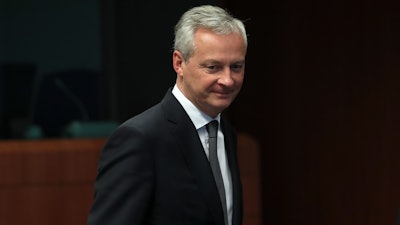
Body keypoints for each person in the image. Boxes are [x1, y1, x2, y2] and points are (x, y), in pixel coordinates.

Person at [86, 4, 248, 225]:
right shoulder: (140, 139)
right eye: (213, 67)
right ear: (179, 63)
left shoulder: (225, 134)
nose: (228, 80)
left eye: (236, 67)